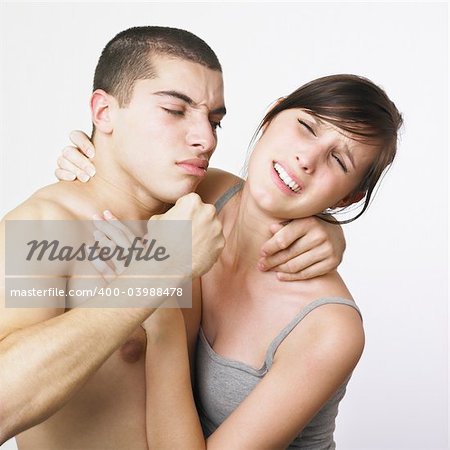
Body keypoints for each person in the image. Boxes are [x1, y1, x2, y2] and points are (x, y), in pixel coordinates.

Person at [0, 26, 344, 449]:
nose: (206, 139)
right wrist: (151, 277)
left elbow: (279, 193)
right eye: (174, 111)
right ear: (104, 112)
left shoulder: (196, 210)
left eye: (214, 120)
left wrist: (327, 227)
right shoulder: (45, 229)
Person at [63, 74, 403, 448]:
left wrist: (158, 312)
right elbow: (116, 181)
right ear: (273, 114)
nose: (306, 159)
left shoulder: (328, 329)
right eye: (306, 127)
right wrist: (88, 162)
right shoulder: (200, 195)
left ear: (348, 198)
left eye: (338, 160)